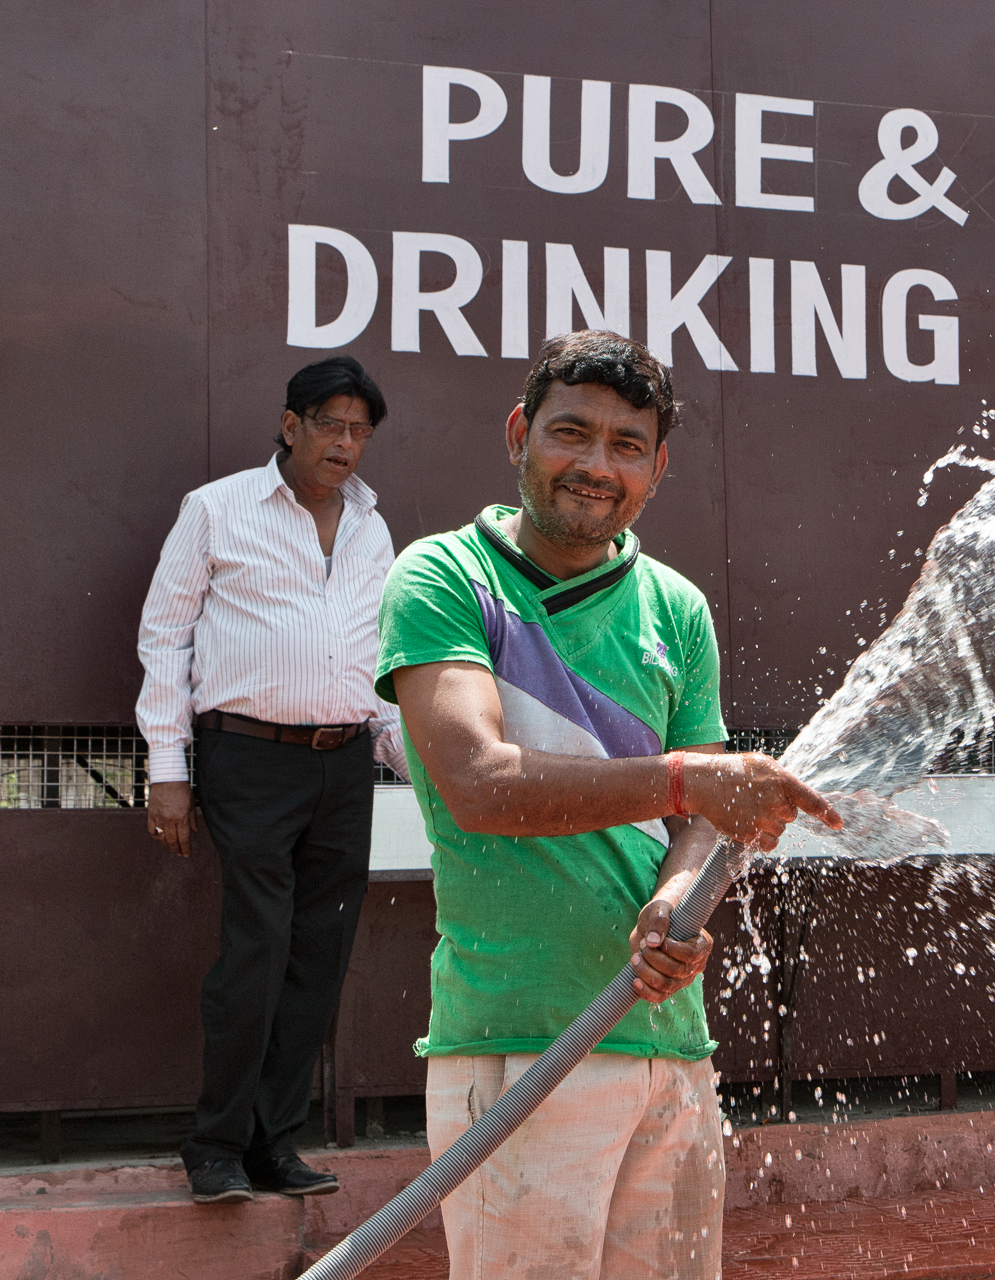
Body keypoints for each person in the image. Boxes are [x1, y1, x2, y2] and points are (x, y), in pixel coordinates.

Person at [377, 329, 840, 1279]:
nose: (596, 466)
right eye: (571, 433)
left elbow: (701, 823)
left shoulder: (676, 608)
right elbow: (478, 784)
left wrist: (676, 900)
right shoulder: (444, 577)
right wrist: (684, 779)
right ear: (519, 433)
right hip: (518, 1037)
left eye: (627, 445)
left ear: (656, 470)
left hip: (669, 1040)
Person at [136, 354, 406, 1204]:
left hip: (346, 763)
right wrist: (168, 770)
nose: (346, 444)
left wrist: (416, 769)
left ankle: (272, 1145)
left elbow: (380, 657)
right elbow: (165, 637)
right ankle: (215, 1147)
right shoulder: (216, 510)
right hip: (248, 758)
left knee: (320, 958)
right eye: (331, 425)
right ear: (291, 426)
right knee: (257, 951)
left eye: (360, 431)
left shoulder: (371, 528)